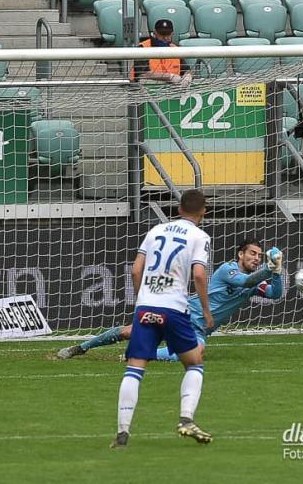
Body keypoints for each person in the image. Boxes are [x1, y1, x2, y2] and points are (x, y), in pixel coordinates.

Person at [58, 239, 284, 362]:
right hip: (180, 314)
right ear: (240, 255)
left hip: (200, 329)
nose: (256, 257)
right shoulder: (228, 270)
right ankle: (81, 347)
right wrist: (269, 268)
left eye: (259, 255)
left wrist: (277, 272)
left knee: (196, 354)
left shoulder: (255, 282)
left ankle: (138, 354)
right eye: (252, 253)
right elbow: (245, 282)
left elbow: (274, 294)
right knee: (129, 332)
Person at [112, 189, 213, 448]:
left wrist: (142, 300)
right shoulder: (199, 236)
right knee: (194, 363)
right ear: (203, 211)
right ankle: (186, 419)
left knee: (135, 368)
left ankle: (122, 433)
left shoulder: (156, 230)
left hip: (146, 307)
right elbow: (199, 275)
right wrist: (206, 310)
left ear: (178, 209)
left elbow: (136, 270)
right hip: (174, 309)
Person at [132, 19, 193, 86]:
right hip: (149, 88)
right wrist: (169, 77)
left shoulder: (175, 49)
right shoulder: (143, 47)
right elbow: (142, 74)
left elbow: (186, 69)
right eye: (162, 34)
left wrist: (187, 76)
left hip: (174, 89)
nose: (165, 37)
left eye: (168, 34)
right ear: (155, 33)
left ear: (172, 34)